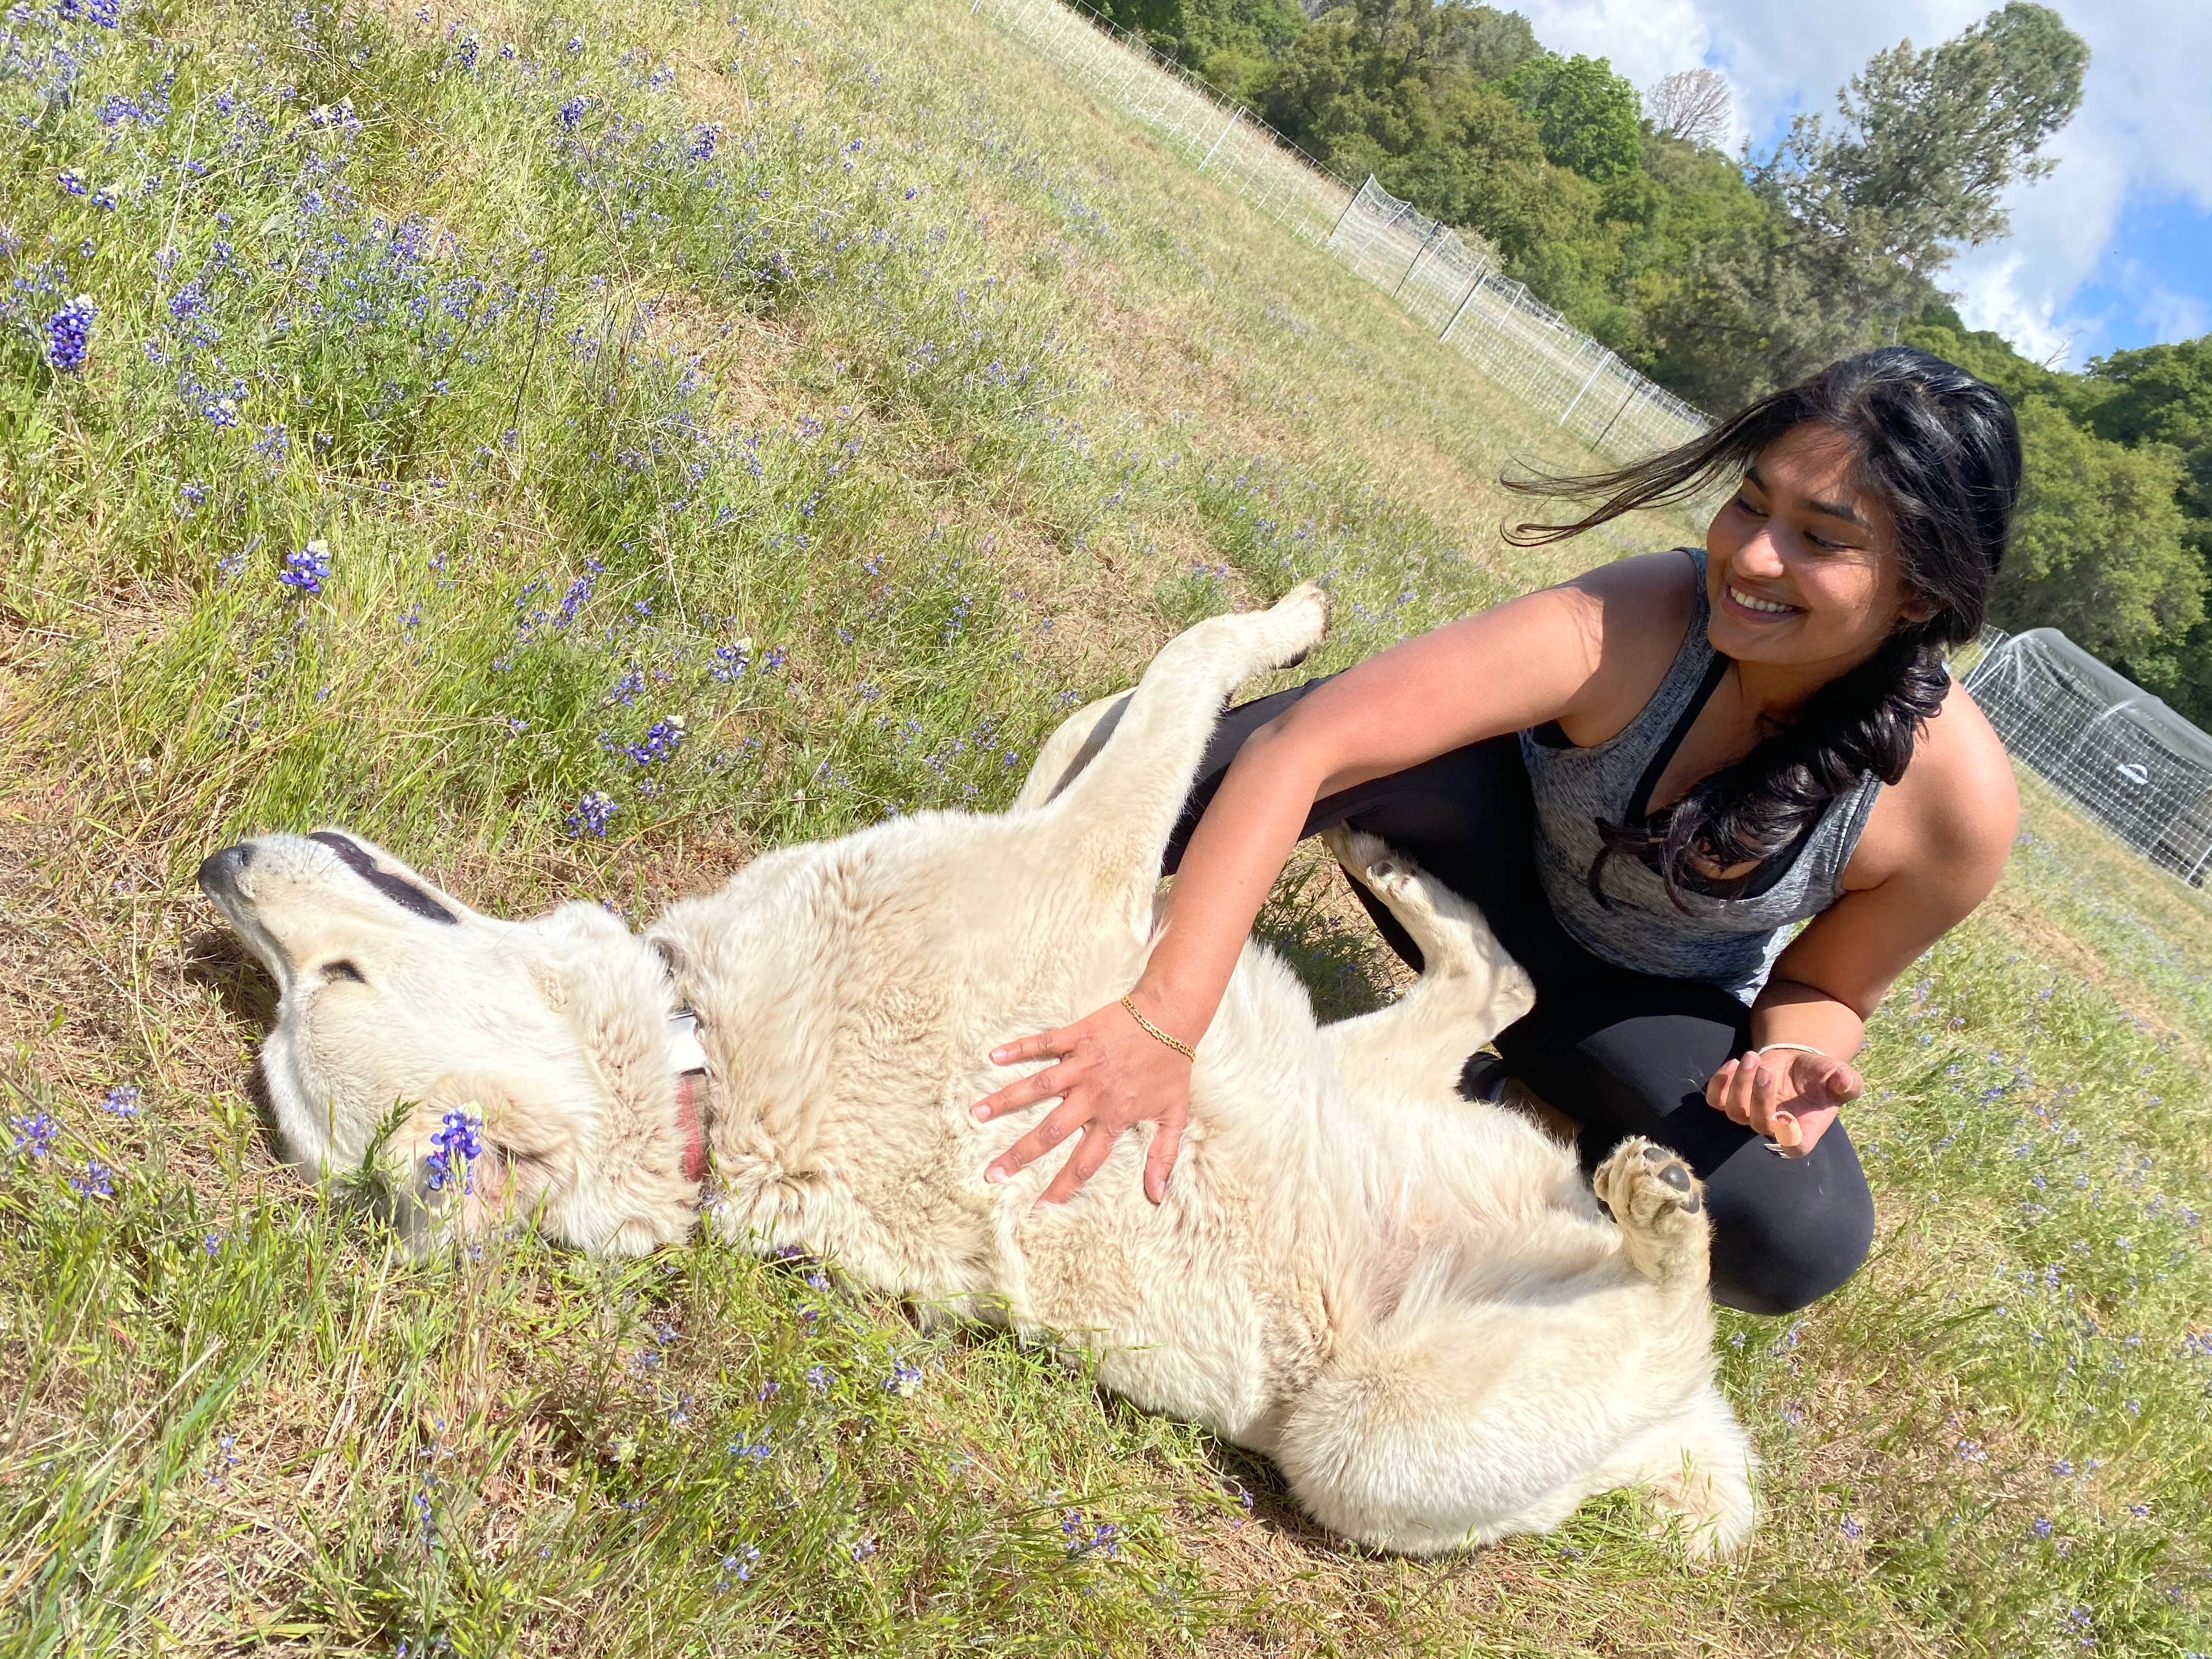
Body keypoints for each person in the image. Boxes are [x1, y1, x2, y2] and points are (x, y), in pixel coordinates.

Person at [972, 347, 2022, 1316]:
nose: (1751, 557)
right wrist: (1166, 1023)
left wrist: (1789, 1061)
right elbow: (1301, 749)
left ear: (1921, 593)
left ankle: (1512, 1088)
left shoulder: (1953, 808)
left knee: (1795, 1239)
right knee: (1177, 785)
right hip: (1469, 853)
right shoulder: (1640, 618)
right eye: (1749, 504)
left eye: (1821, 539)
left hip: (1633, 1002)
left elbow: (1830, 989)